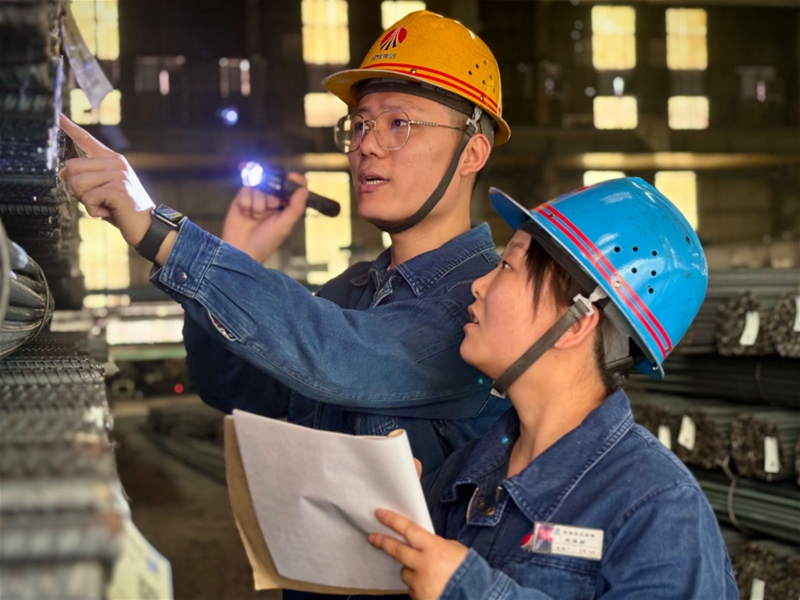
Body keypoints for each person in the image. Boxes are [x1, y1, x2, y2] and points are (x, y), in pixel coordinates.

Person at [58, 9, 510, 598]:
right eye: (359, 125)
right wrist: (240, 253)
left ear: (472, 152)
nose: (366, 147)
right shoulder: (351, 291)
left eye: (398, 123)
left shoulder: (487, 301)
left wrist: (162, 234)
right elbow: (231, 387)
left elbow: (341, 356)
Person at [368, 178, 738, 599]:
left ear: (576, 323)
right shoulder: (466, 474)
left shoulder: (657, 507)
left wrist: (468, 590)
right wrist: (394, 509)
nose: (479, 285)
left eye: (507, 266)